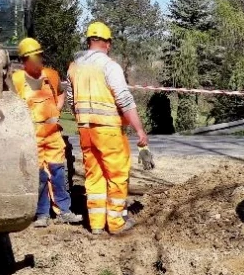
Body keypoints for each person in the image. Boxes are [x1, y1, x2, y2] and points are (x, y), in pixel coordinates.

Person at [67, 22, 149, 236]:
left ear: (88, 41)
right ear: (108, 43)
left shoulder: (74, 67)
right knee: (117, 174)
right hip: (108, 129)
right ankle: (115, 223)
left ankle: (95, 224)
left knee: (93, 175)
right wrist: (139, 130)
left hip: (85, 129)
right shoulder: (109, 66)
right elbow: (123, 99)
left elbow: (69, 99)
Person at [11, 37, 82, 228]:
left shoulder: (51, 75)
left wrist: (57, 110)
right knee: (40, 175)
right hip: (32, 135)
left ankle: (64, 211)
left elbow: (60, 93)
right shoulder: (16, 80)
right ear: (24, 60)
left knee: (58, 172)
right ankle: (42, 213)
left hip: (52, 133)